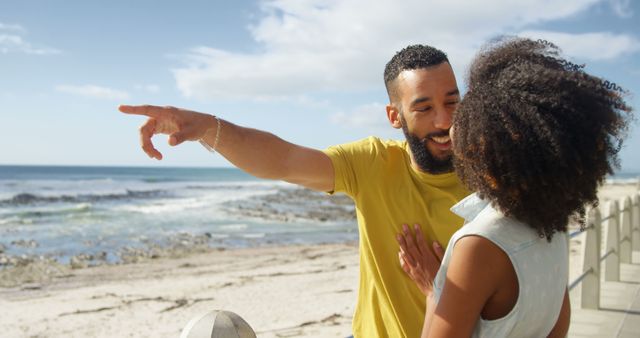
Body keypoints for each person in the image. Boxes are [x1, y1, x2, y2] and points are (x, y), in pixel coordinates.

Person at [119, 45, 470, 337]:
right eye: (423, 108)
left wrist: (441, 291)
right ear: (395, 116)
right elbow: (283, 159)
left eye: (452, 102)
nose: (444, 121)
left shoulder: (492, 179)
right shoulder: (375, 162)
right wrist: (206, 127)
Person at [397, 37, 633, 337]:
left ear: (485, 146)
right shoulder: (552, 223)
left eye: (467, 111)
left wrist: (435, 292)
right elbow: (557, 328)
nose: (451, 123)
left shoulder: (479, 244)